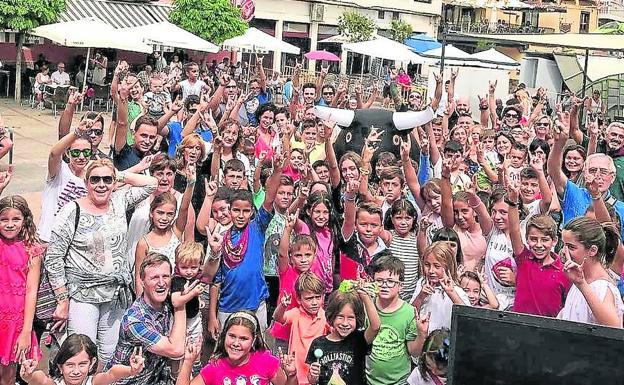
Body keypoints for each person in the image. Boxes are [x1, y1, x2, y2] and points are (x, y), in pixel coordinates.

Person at [44, 160, 158, 366]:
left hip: (115, 295)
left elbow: (151, 183)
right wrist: (62, 300)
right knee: (81, 354)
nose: (101, 185)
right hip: (83, 295)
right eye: (95, 179)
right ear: (86, 182)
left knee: (109, 356)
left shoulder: (119, 201)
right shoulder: (71, 211)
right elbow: (54, 257)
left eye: (107, 179)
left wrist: (119, 175)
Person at [108, 253, 195, 384]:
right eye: (154, 278)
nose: (161, 283)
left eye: (165, 276)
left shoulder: (166, 305)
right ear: (142, 281)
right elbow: (176, 350)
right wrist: (180, 304)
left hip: (156, 378)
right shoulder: (134, 320)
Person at [176, 312, 297, 385]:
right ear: (224, 336)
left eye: (243, 339)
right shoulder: (215, 367)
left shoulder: (267, 362)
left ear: (253, 340)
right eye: (232, 336)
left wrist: (291, 375)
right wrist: (188, 362)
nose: (236, 343)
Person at [0, 196, 44, 385]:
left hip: (14, 322)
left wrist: (26, 331)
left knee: (8, 375)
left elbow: (31, 291)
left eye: (15, 219)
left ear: (25, 220)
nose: (10, 224)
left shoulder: (32, 250)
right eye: (3, 219)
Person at [507, 186, 571, 317]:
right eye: (534, 239)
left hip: (548, 332)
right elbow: (514, 230)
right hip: (519, 327)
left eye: (545, 240)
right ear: (527, 239)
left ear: (554, 241)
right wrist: (513, 202)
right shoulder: (524, 258)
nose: (539, 245)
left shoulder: (563, 272)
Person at [558, 217, 624, 327]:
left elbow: (614, 327)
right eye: (564, 245)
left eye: (571, 247)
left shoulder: (602, 287)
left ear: (592, 250)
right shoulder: (579, 279)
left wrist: (582, 284)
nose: (564, 252)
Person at [306, 288, 380, 385]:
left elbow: (375, 327)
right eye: (340, 317)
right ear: (332, 315)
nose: (345, 323)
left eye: (350, 318)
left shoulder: (359, 339)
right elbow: (312, 381)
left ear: (357, 318)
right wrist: (313, 376)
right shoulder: (318, 343)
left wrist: (365, 297)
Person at [366, 255, 420, 385]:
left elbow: (413, 351)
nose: (384, 285)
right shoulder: (367, 306)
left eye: (390, 281)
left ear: (400, 286)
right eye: (379, 281)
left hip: (399, 381)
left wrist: (422, 334)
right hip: (369, 379)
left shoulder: (409, 312)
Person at [19, 333, 145, 385]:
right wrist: (27, 376)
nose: (76, 371)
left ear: (92, 363)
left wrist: (131, 370)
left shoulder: (93, 382)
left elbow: (112, 373)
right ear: (60, 366)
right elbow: (40, 379)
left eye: (82, 364)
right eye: (70, 365)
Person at [273, 272, 327, 385]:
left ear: (323, 296)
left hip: (316, 373)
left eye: (318, 297)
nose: (314, 302)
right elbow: (277, 317)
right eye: (309, 298)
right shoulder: (296, 314)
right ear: (298, 299)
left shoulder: (325, 316)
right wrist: (283, 306)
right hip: (296, 375)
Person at [410, 242, 470, 332]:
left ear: (447, 267)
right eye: (427, 265)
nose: (431, 270)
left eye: (437, 266)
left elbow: (468, 318)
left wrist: (451, 293)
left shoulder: (457, 290)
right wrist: (421, 296)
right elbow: (409, 314)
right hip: (421, 338)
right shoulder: (421, 283)